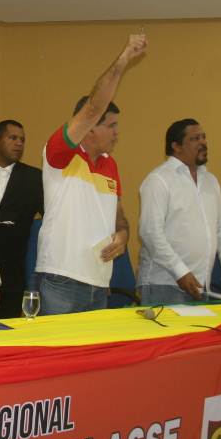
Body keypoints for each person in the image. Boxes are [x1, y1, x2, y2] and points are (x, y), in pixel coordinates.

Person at [36, 35, 147, 315]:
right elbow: (94, 107)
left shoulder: (111, 165)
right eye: (111, 126)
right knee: (59, 345)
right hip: (62, 279)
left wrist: (123, 236)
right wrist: (124, 58)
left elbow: (120, 220)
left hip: (99, 283)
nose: (117, 133)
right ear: (89, 128)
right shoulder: (60, 154)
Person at [137, 119, 221, 305]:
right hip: (164, 285)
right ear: (176, 146)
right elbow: (150, 233)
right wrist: (180, 272)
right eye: (195, 138)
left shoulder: (210, 181)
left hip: (200, 284)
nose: (203, 142)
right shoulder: (159, 180)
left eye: (204, 137)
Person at [0, 120, 42, 319]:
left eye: (22, 140)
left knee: (7, 330)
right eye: (12, 138)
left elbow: (51, 219)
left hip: (14, 275)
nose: (19, 143)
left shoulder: (34, 178)